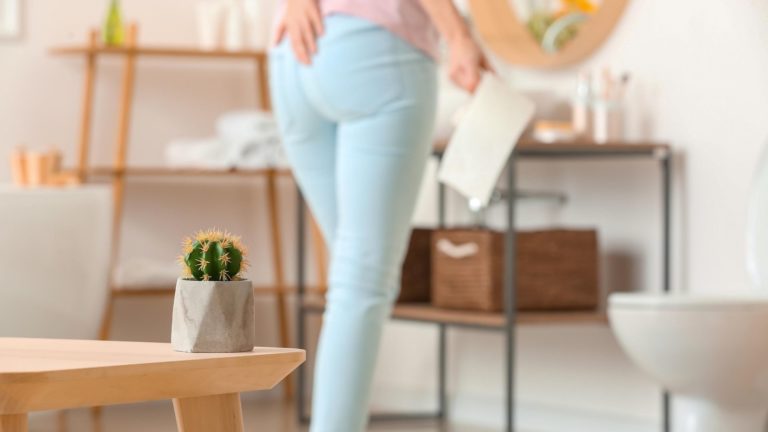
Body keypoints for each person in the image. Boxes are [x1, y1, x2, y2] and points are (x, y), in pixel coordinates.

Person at [269, 1, 490, 430]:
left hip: (292, 56)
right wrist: (459, 36)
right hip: (377, 50)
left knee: (352, 279)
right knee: (361, 282)